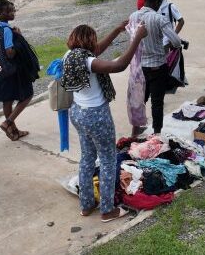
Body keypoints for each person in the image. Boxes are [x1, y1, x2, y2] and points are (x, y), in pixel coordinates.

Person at [62, 22, 147, 222]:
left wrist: (117, 30)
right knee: (108, 160)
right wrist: (137, 37)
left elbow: (97, 50)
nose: (96, 44)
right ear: (89, 41)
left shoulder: (70, 56)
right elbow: (119, 65)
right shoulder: (88, 61)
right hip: (96, 116)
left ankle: (86, 205)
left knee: (87, 158)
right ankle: (107, 210)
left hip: (78, 113)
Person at [129, 0, 182, 135]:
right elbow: (176, 41)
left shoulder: (133, 16)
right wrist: (168, 46)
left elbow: (132, 38)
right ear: (156, 3)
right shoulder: (159, 19)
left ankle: (135, 131)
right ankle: (156, 133)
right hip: (157, 66)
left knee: (140, 100)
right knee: (157, 102)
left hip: (139, 67)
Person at [0, 0, 36, 141]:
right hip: (12, 71)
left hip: (1, 70)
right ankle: (8, 122)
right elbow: (9, 52)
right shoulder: (7, 30)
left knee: (7, 100)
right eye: (8, 11)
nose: (12, 13)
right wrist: (19, 37)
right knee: (27, 95)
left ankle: (13, 131)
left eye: (13, 10)